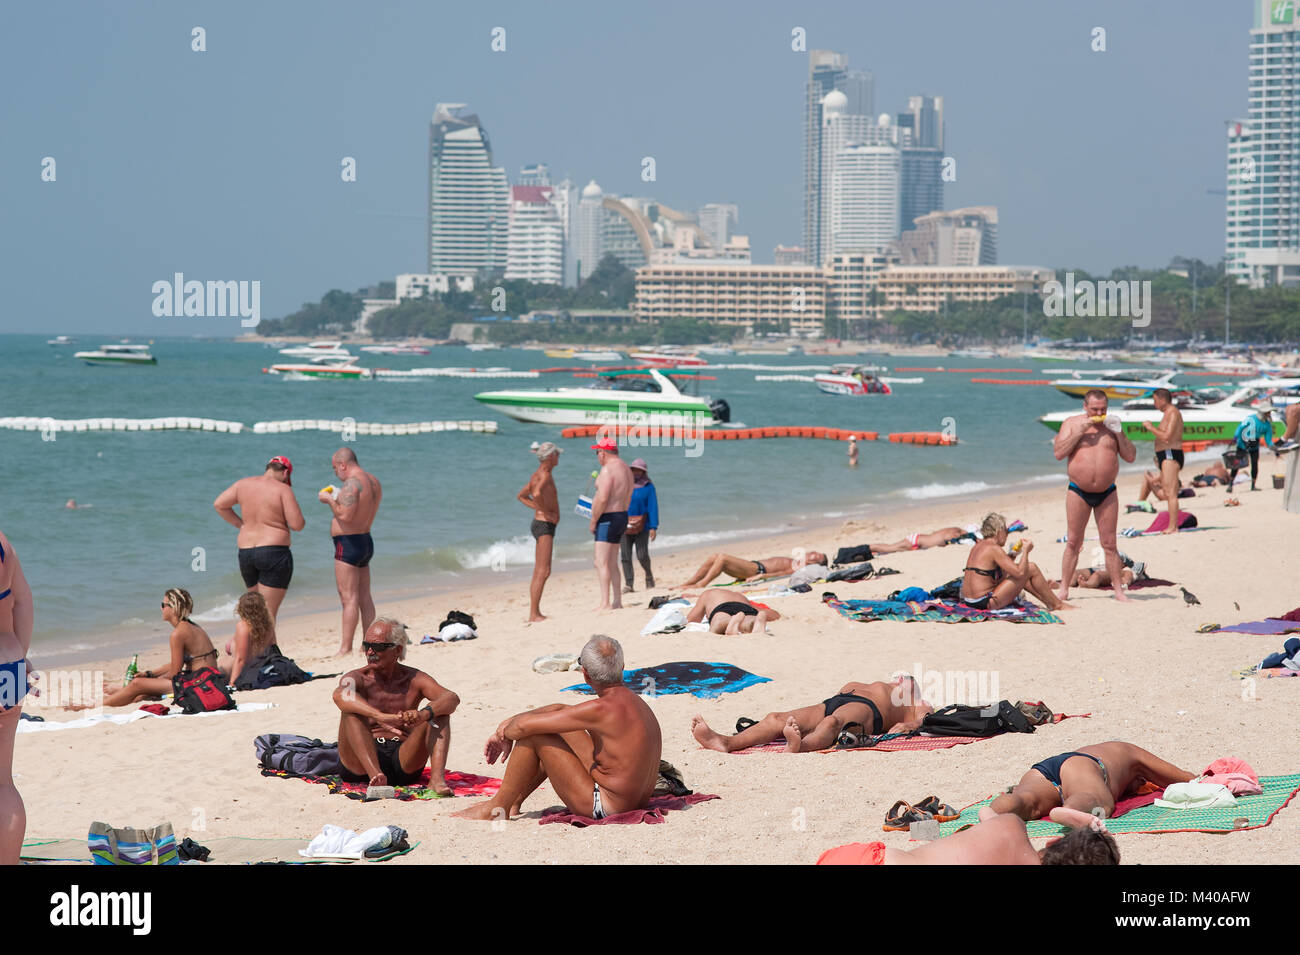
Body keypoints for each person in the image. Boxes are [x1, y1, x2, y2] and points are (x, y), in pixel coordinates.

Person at [453, 636, 661, 821]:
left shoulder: (600, 709)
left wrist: (503, 735)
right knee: (559, 727)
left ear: (585, 675)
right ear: (622, 666)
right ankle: (514, 801)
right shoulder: (635, 703)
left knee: (535, 737)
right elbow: (559, 710)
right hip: (633, 800)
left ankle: (497, 807)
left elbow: (523, 729)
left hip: (606, 807)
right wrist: (506, 724)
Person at [333, 618, 459, 795]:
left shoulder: (414, 678)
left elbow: (451, 698)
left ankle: (437, 780)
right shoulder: (355, 677)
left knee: (439, 713)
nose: (370, 652)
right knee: (351, 711)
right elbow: (340, 695)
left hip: (403, 759)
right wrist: (380, 716)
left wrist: (423, 714)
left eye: (378, 647)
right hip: (360, 763)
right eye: (366, 645)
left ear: (398, 649)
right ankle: (376, 777)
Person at [691, 675, 932, 754]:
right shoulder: (876, 683)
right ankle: (725, 741)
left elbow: (925, 720)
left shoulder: (916, 702)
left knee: (832, 722)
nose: (899, 679)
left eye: (906, 678)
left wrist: (908, 726)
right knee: (776, 717)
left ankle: (801, 745)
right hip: (836, 701)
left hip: (870, 710)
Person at [988, 740, 1196, 827]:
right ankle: (1068, 809)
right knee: (1096, 801)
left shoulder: (1113, 750)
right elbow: (1187, 778)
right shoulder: (1131, 753)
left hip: (1041, 770)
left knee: (1026, 801)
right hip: (1081, 766)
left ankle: (993, 812)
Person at [817, 806, 1120, 865]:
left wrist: (1091, 822)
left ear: (1053, 841)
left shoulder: (1011, 825)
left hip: (863, 854)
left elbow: (985, 813)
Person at [1054, 390, 1137, 603]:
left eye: (1103, 409)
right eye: (1094, 409)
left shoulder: (1111, 427)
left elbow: (1130, 456)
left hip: (1107, 492)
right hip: (1078, 491)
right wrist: (1078, 433)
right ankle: (1064, 589)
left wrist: (1119, 433)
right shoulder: (1071, 423)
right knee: (1073, 541)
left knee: (1109, 543)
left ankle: (1118, 590)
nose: (1099, 413)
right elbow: (1059, 453)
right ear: (1085, 407)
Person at [80, 589, 222, 709]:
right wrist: (149, 674)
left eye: (163, 605)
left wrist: (153, 681)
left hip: (199, 685)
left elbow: (174, 673)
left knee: (137, 684)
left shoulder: (178, 634)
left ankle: (97, 705)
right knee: (141, 693)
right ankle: (122, 693)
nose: (161, 608)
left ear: (172, 608)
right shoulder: (191, 626)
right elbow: (176, 663)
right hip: (209, 680)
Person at [213, 456, 305, 621]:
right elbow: (297, 524)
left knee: (256, 612)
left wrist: (241, 524)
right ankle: (268, 647)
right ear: (285, 473)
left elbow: (219, 504)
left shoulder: (242, 484)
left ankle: (254, 646)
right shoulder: (283, 489)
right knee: (268, 614)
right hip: (273, 551)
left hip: (246, 552)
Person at [320, 447, 382, 655]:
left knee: (349, 598)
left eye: (334, 468)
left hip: (348, 543)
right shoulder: (373, 481)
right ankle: (370, 644)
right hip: (365, 539)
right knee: (365, 596)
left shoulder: (352, 484)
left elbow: (345, 516)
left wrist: (328, 498)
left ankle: (345, 648)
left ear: (342, 465)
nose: (335, 473)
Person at [0, 531, 34, 865]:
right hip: (8, 664)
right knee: (3, 783)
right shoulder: (4, 543)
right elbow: (23, 601)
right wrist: (19, 656)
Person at [960, 513, 1068, 611]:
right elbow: (1020, 573)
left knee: (1023, 570)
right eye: (1006, 531)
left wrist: (1012, 556)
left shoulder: (978, 547)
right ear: (998, 531)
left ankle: (1050, 602)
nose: (1007, 535)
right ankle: (1057, 605)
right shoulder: (994, 548)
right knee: (1031, 568)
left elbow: (999, 575)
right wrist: (1026, 551)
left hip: (970, 601)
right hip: (985, 602)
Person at [518, 442, 561, 622]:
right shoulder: (543, 475)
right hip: (544, 525)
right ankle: (534, 614)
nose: (559, 456)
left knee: (539, 570)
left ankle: (535, 612)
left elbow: (522, 495)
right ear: (550, 457)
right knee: (543, 571)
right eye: (557, 453)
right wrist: (546, 512)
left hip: (540, 523)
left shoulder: (537, 474)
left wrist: (538, 508)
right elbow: (535, 493)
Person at [589, 441, 633, 610]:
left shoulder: (608, 469)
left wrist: (594, 520)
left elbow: (603, 498)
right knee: (613, 561)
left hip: (607, 517)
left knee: (600, 562)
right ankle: (617, 601)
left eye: (598, 453)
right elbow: (628, 495)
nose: (598, 456)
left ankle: (605, 602)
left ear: (603, 452)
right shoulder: (626, 469)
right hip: (622, 515)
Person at [221, 591, 292, 688]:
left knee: (216, 672)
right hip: (260, 664)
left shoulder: (243, 626)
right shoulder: (268, 624)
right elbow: (273, 647)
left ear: (241, 608)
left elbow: (241, 659)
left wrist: (232, 682)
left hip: (241, 669)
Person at [1140, 388, 1185, 533]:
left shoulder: (1173, 413)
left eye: (1155, 400)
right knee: (1165, 492)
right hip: (1165, 455)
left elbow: (1167, 437)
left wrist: (1150, 427)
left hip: (1170, 453)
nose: (1154, 404)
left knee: (1171, 493)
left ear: (1162, 399)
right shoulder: (1167, 413)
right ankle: (1172, 525)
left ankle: (1173, 527)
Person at [679, 549, 828, 589]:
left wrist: (761, 577)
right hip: (753, 566)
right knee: (714, 558)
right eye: (813, 552)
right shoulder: (796, 561)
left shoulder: (799, 566)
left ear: (813, 562)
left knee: (722, 557)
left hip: (757, 570)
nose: (812, 554)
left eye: (816, 556)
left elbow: (782, 573)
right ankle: (690, 582)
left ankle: (700, 584)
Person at [621, 458, 659, 593]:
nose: (636, 472)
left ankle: (649, 575)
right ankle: (629, 584)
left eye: (639, 470)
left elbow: (652, 507)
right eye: (634, 470)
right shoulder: (624, 484)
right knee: (625, 556)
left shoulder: (648, 487)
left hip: (642, 526)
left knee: (642, 555)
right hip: (624, 526)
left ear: (643, 472)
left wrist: (653, 527)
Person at [684, 590, 781, 635]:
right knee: (748, 619)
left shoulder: (707, 594)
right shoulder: (739, 595)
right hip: (745, 607)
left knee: (719, 621)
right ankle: (753, 623)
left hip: (722, 607)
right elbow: (774, 614)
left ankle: (728, 622)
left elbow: (691, 620)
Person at [1228, 407, 1276, 491]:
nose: (1269, 414)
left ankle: (1253, 485)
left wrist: (1274, 449)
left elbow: (1268, 440)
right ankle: (1230, 485)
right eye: (1268, 412)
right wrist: (1235, 437)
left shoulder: (1267, 425)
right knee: (1237, 464)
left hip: (1254, 445)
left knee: (1254, 465)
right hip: (1243, 443)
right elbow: (1240, 428)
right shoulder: (1251, 419)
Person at [865, 525, 974, 555]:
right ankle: (869, 548)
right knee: (890, 548)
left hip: (918, 540)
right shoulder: (955, 532)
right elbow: (944, 541)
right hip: (916, 541)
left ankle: (872, 549)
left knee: (891, 547)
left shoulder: (952, 529)